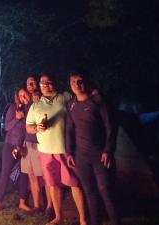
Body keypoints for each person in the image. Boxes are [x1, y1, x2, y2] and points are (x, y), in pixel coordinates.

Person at [26, 74, 86, 225]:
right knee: (53, 184)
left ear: (54, 83)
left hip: (64, 149)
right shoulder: (36, 105)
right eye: (43, 83)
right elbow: (28, 127)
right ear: (39, 86)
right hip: (45, 150)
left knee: (74, 183)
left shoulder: (64, 97)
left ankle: (83, 219)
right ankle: (58, 217)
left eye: (49, 82)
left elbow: (80, 96)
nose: (45, 85)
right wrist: (36, 128)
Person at [66, 72, 118, 225]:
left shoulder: (98, 101)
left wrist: (108, 149)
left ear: (86, 82)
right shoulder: (71, 104)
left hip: (99, 155)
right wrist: (69, 152)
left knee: (105, 190)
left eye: (79, 81)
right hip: (81, 156)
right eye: (72, 82)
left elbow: (111, 126)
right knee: (89, 191)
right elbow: (69, 129)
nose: (76, 84)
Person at [0, 86, 31, 212]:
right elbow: (6, 127)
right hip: (10, 144)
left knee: (24, 173)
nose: (23, 98)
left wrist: (21, 146)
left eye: (25, 95)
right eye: (21, 96)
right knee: (5, 172)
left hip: (23, 145)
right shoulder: (13, 108)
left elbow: (28, 131)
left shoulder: (32, 109)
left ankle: (22, 202)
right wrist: (16, 119)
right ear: (17, 97)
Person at [25, 75, 51, 215]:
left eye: (34, 83)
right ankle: (37, 205)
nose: (31, 86)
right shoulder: (26, 102)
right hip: (28, 142)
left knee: (46, 177)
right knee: (32, 175)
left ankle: (49, 206)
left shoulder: (42, 100)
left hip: (40, 143)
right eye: (29, 84)